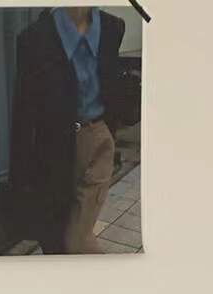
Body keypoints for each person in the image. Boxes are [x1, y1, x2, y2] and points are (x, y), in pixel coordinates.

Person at [8, 6, 137, 254]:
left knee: (77, 239)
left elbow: (109, 83)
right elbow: (24, 113)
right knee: (55, 241)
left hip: (98, 140)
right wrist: (19, 183)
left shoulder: (112, 27)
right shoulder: (34, 38)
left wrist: (109, 131)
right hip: (52, 153)